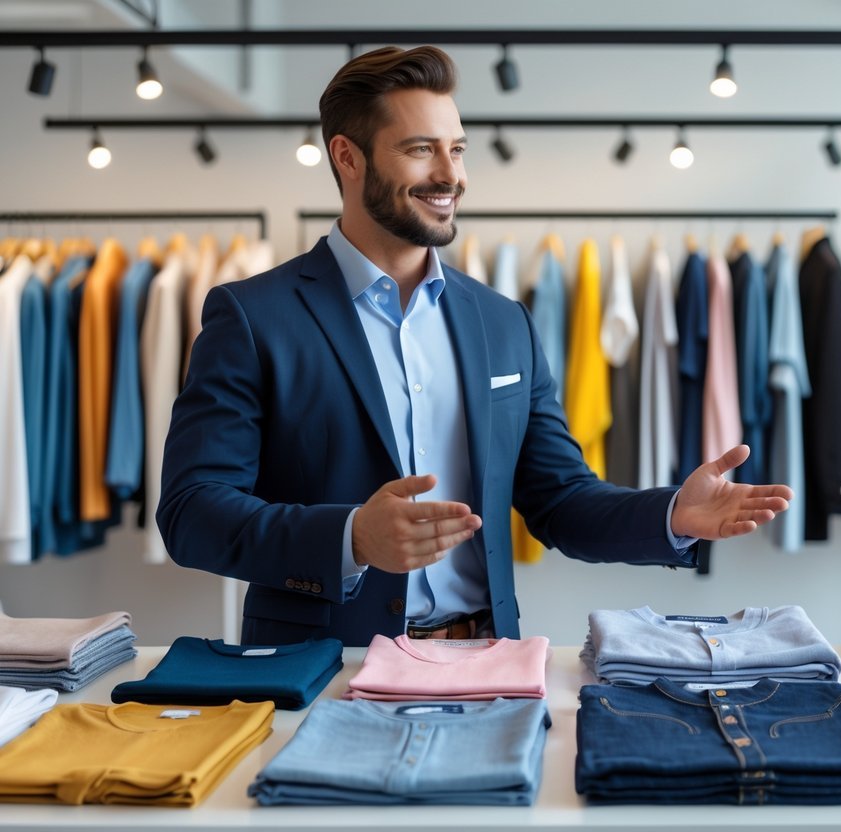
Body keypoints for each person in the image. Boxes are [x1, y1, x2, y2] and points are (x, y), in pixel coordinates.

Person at [157, 45, 793, 647]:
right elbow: (192, 512)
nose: (450, 175)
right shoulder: (252, 315)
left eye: (457, 149)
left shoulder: (502, 321)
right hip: (321, 671)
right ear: (348, 158)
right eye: (420, 150)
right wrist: (352, 537)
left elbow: (560, 499)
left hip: (486, 661)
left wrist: (672, 515)